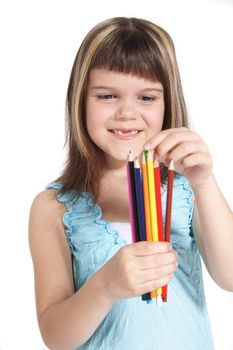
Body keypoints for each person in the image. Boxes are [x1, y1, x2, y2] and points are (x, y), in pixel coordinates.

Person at [28, 17, 233, 350]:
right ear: (80, 101)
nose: (127, 112)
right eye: (107, 96)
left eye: (147, 98)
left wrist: (205, 182)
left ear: (169, 104)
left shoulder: (186, 190)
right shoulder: (54, 208)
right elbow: (55, 336)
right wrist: (106, 285)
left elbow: (230, 276)